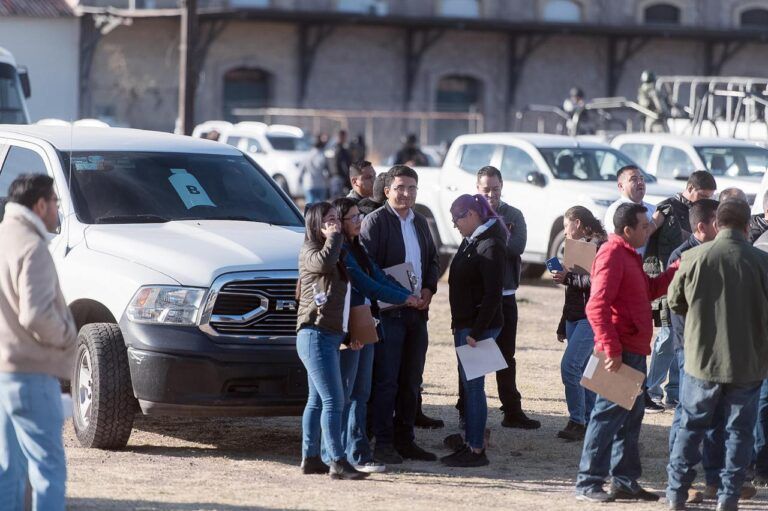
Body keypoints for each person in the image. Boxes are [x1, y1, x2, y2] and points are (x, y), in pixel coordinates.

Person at [666, 200, 768, 511]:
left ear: (718, 223)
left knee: (691, 426)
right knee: (739, 432)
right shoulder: (762, 261)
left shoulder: (693, 257)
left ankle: (675, 493)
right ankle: (728, 496)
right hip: (747, 363)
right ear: (747, 224)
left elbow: (674, 302)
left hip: (701, 358)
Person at [575, 202, 680, 503]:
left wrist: (675, 270)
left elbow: (648, 291)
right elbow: (596, 306)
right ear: (627, 230)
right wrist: (611, 349)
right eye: (644, 225)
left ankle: (624, 481)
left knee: (631, 418)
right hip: (618, 353)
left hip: (632, 350)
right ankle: (588, 482)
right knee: (606, 418)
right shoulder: (611, 254)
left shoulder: (630, 255)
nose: (649, 229)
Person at [0, 174, 78, 511]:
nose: (58, 211)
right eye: (56, 203)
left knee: (9, 472)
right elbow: (35, 315)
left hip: (3, 373)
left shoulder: (3, 237)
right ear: (40, 204)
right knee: (49, 469)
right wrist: (66, 336)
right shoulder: (32, 247)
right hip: (31, 374)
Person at [327, 198, 420, 473]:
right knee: (345, 392)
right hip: (348, 325)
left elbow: (379, 278)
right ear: (340, 223)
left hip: (366, 320)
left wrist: (408, 295)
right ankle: (338, 453)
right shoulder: (340, 251)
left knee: (362, 391)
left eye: (360, 217)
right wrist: (406, 299)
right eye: (353, 218)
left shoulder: (359, 249)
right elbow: (367, 285)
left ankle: (357, 452)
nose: (359, 221)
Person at [360, 165, 440, 464]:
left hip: (418, 313)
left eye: (412, 188)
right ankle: (383, 442)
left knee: (411, 380)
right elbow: (370, 268)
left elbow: (432, 260)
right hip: (388, 314)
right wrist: (401, 295)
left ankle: (406, 440)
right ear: (387, 191)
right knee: (386, 381)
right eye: (401, 188)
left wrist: (429, 290)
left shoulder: (419, 221)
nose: (406, 194)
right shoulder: (375, 222)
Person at [296, 202, 367, 480]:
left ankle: (311, 458)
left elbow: (339, 300)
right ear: (316, 224)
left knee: (316, 400)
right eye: (329, 219)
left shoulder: (333, 250)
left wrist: (349, 335)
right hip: (314, 334)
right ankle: (337, 461)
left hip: (328, 334)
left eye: (338, 219)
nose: (336, 223)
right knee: (334, 400)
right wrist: (335, 236)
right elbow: (323, 263)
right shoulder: (310, 251)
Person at [467, 165, 539, 429]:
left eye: (495, 189)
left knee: (506, 356)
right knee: (476, 358)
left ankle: (512, 410)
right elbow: (471, 247)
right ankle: (468, 410)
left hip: (506, 295)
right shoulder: (470, 213)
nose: (490, 194)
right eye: (485, 189)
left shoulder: (513, 214)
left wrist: (489, 236)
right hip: (479, 297)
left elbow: (516, 246)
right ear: (477, 189)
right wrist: (496, 240)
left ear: (502, 187)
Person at [441, 194, 507, 468]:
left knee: (475, 386)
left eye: (457, 218)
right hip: (466, 324)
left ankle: (477, 448)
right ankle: (470, 441)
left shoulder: (490, 243)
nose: (455, 224)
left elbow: (493, 294)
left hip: (478, 327)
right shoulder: (473, 241)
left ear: (470, 214)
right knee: (469, 387)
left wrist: (477, 331)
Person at [644, 171, 717, 411]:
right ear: (690, 188)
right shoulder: (667, 208)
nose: (704, 200)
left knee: (680, 340)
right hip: (668, 277)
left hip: (690, 278)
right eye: (703, 195)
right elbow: (648, 234)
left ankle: (674, 392)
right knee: (667, 337)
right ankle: (651, 390)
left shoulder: (701, 211)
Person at [552, 206, 607, 441]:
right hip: (575, 316)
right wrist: (563, 321)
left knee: (570, 367)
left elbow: (598, 283)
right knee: (585, 371)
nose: (565, 231)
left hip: (590, 317)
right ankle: (592, 420)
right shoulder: (576, 246)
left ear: (577, 222)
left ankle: (578, 421)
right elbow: (573, 291)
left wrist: (569, 277)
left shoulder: (600, 246)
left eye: (566, 225)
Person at [603, 165, 663, 248]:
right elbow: (624, 241)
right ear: (621, 186)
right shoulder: (616, 211)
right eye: (634, 179)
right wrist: (654, 223)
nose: (640, 182)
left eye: (642, 178)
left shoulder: (653, 209)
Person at [299, 136, 330, 205]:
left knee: (310, 204)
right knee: (321, 207)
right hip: (321, 183)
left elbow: (301, 169)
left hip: (309, 183)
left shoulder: (308, 155)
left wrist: (299, 180)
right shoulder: (322, 155)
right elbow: (327, 170)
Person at [331, 130, 351, 198]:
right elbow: (342, 164)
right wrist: (346, 175)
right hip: (339, 177)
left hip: (335, 176)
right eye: (345, 137)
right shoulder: (339, 149)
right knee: (338, 199)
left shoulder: (334, 147)